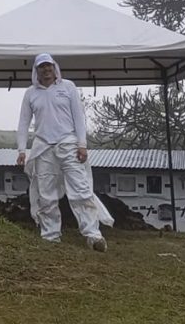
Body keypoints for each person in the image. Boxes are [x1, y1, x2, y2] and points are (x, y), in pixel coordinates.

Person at [16, 53, 113, 251]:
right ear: (36, 70)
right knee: (46, 194)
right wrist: (21, 150)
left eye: (49, 66)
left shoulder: (68, 87)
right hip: (43, 147)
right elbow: (24, 122)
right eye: (41, 66)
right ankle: (50, 236)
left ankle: (93, 236)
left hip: (68, 144)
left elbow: (79, 117)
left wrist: (82, 144)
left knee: (81, 189)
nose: (46, 70)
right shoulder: (30, 93)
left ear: (54, 67)